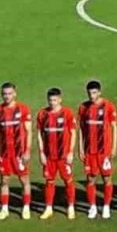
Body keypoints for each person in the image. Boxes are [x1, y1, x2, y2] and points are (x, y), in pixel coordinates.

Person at [0, 82, 32, 220]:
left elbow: (29, 131)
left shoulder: (23, 109)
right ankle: (4, 209)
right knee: (4, 181)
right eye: (4, 94)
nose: (6, 96)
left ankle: (26, 208)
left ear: (15, 94)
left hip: (19, 153)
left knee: (24, 180)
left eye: (9, 94)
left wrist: (27, 151)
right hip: (5, 153)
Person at [78, 80, 117, 220]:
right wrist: (81, 147)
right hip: (90, 151)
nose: (92, 96)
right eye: (89, 93)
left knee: (107, 178)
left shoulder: (108, 106)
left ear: (99, 92)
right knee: (90, 178)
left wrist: (113, 147)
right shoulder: (83, 107)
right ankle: (93, 206)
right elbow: (81, 129)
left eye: (94, 93)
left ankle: (106, 206)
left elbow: (114, 127)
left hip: (104, 150)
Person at [37, 88, 77, 220]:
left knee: (68, 180)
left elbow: (73, 133)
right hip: (49, 156)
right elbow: (39, 134)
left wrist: (71, 152)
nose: (52, 103)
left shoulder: (67, 113)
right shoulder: (42, 114)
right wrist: (42, 152)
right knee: (49, 181)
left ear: (60, 99)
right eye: (50, 100)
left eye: (55, 100)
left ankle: (71, 207)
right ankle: (48, 208)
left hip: (63, 155)